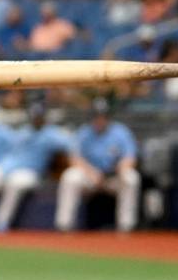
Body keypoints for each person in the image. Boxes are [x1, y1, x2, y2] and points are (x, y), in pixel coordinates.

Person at [0, 103, 70, 233]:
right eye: (34, 116)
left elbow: (70, 145)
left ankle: (1, 222)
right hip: (6, 168)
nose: (36, 119)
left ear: (44, 118)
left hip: (30, 172)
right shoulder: (23, 132)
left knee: (15, 182)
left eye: (39, 116)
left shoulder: (51, 134)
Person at [55, 98, 140, 232]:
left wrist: (120, 169)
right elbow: (74, 158)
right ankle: (64, 225)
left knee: (131, 178)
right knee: (70, 176)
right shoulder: (84, 132)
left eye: (103, 115)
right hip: (91, 177)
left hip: (113, 177)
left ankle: (126, 226)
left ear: (108, 116)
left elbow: (130, 158)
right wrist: (91, 173)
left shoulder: (121, 132)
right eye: (96, 115)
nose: (100, 119)